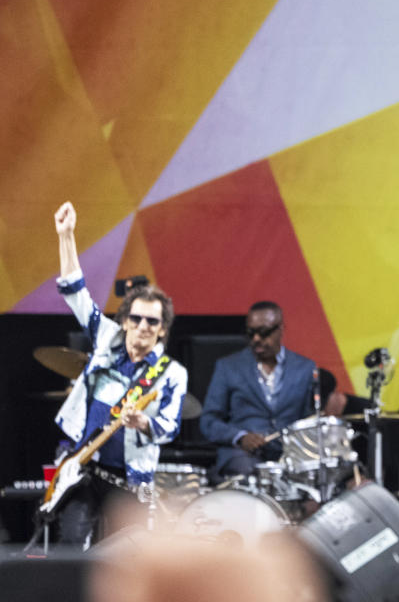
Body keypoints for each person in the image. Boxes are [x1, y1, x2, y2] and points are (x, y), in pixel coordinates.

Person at [53, 201, 189, 548]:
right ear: (125, 320)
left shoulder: (172, 374)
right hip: (83, 466)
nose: (143, 326)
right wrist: (66, 235)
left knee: (122, 561)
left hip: (129, 479)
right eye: (137, 318)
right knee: (71, 553)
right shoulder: (106, 337)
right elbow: (75, 291)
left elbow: (171, 426)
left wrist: (143, 422)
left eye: (153, 322)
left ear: (162, 330)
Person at [199, 301, 335, 482]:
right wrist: (240, 437)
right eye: (250, 333)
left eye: (263, 332)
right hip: (242, 455)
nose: (256, 339)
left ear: (281, 329)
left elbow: (309, 421)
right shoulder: (228, 367)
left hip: (290, 456)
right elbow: (209, 421)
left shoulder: (305, 368)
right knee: (248, 475)